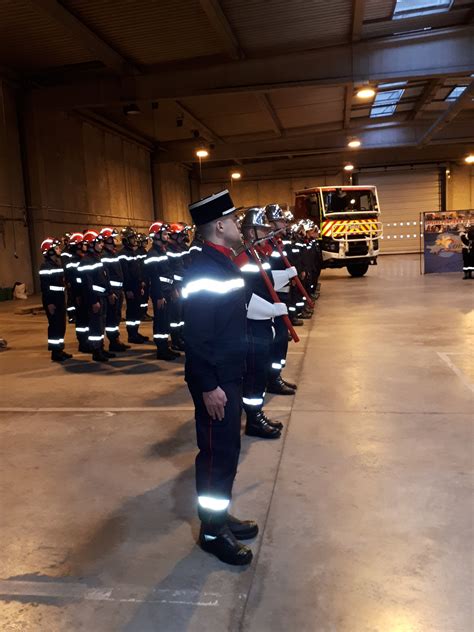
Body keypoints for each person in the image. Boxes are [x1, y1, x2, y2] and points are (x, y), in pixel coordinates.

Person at [183, 190, 256, 566]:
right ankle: (211, 532)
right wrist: (209, 385)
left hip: (229, 373)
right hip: (215, 380)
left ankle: (218, 513)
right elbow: (195, 336)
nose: (241, 225)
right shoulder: (204, 269)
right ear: (220, 226)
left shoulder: (222, 261)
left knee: (227, 453)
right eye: (236, 220)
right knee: (216, 456)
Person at [236, 207, 295, 439]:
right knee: (254, 371)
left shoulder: (256, 253)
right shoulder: (242, 255)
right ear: (250, 231)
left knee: (259, 370)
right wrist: (270, 308)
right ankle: (253, 418)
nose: (265, 231)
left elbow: (266, 281)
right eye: (261, 228)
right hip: (253, 322)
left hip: (263, 319)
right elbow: (246, 293)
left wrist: (285, 277)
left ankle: (256, 413)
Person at [144, 222, 180, 361]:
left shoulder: (163, 251)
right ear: (156, 236)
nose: (167, 236)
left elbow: (168, 272)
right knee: (160, 322)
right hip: (160, 293)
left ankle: (165, 347)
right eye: (164, 234)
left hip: (167, 291)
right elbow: (154, 277)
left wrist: (173, 289)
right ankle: (161, 350)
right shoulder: (152, 254)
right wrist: (159, 296)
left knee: (165, 321)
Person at [77, 231, 114, 363]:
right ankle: (96, 351)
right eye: (98, 242)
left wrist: (109, 293)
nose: (101, 244)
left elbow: (104, 277)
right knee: (95, 326)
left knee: (101, 324)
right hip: (95, 298)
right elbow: (87, 284)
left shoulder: (96, 258)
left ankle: (101, 348)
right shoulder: (86, 261)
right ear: (91, 244)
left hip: (102, 296)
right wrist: (93, 301)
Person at [39, 238, 72, 362]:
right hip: (52, 300)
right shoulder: (45, 266)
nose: (59, 250)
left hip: (59, 298)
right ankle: (55, 352)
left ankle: (60, 349)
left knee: (61, 325)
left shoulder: (57, 263)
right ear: (50, 251)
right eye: (56, 248)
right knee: (54, 326)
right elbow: (45, 287)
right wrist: (49, 303)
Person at [100, 227, 130, 352]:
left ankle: (115, 340)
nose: (114, 240)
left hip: (118, 290)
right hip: (112, 291)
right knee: (111, 317)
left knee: (116, 316)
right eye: (111, 238)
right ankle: (113, 342)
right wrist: (110, 292)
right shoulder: (104, 255)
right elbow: (105, 276)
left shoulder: (113, 253)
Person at [118, 227, 149, 344]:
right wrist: (128, 289)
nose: (134, 240)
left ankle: (135, 332)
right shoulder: (122, 254)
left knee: (136, 310)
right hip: (130, 287)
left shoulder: (133, 252)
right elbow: (125, 274)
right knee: (131, 311)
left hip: (136, 286)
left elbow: (137, 270)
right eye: (131, 238)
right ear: (125, 240)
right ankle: (131, 334)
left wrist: (140, 284)